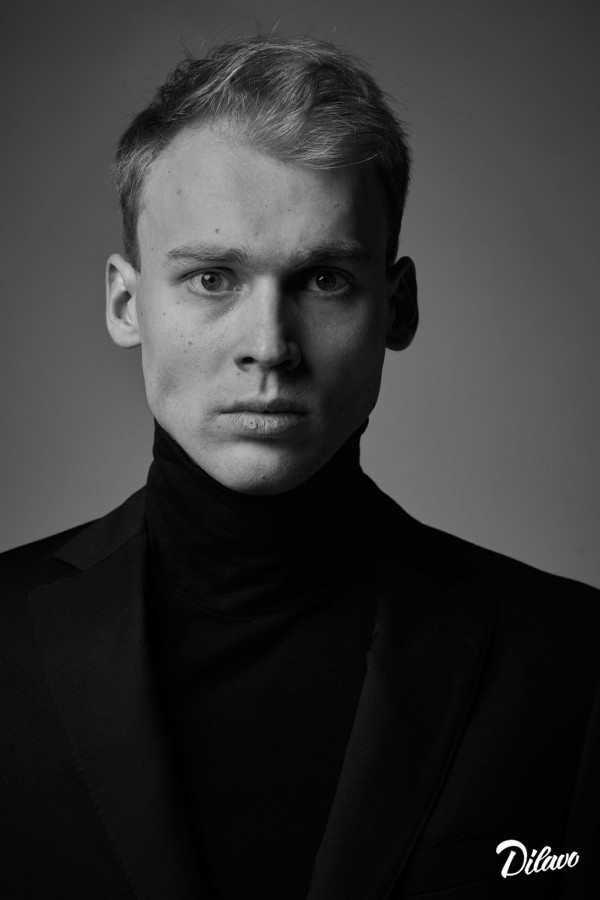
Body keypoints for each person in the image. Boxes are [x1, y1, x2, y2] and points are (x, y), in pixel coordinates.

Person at [1, 34, 598, 900]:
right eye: (212, 278)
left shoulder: (569, 658)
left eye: (323, 280)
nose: (269, 348)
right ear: (127, 304)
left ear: (397, 308)